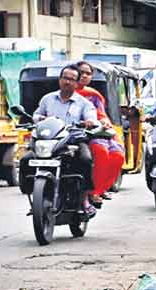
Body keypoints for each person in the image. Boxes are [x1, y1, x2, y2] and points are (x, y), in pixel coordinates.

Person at [31, 64, 98, 211]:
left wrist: (89, 122)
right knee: (26, 160)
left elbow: (93, 119)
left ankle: (85, 199)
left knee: (85, 160)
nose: (68, 82)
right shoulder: (47, 99)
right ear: (60, 79)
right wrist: (39, 118)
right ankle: (32, 194)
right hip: (49, 142)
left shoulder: (84, 103)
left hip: (73, 141)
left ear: (77, 83)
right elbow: (35, 115)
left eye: (72, 79)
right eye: (65, 78)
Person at [73, 61, 126, 207]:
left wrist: (105, 122)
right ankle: (93, 192)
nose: (84, 76)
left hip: (97, 130)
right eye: (81, 72)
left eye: (88, 73)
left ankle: (101, 187)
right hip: (78, 133)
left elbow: (101, 113)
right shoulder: (68, 92)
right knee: (100, 152)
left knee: (118, 155)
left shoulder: (93, 95)